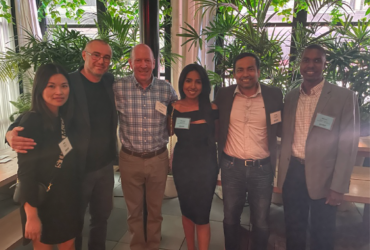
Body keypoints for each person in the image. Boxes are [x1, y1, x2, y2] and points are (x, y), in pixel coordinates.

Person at [6, 39, 118, 250]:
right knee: (75, 222)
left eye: (106, 57)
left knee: (101, 217)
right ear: (84, 55)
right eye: (96, 55)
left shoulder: (109, 81)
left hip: (103, 166)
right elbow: (31, 115)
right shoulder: (68, 83)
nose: (101, 61)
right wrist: (9, 133)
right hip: (77, 168)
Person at [277, 44, 360, 250]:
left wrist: (338, 186)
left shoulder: (343, 97)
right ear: (300, 64)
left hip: (325, 176)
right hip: (293, 172)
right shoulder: (291, 97)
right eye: (306, 60)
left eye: (316, 60)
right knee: (293, 229)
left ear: (325, 64)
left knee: (322, 234)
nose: (310, 65)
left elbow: (348, 145)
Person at [214, 52, 284, 250]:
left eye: (250, 69)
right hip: (231, 167)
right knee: (230, 217)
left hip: (262, 169)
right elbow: (213, 123)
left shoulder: (273, 95)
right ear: (234, 74)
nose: (245, 74)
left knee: (261, 220)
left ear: (258, 71)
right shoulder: (224, 95)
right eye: (240, 70)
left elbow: (281, 126)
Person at [113, 44, 178, 250]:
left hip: (157, 158)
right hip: (129, 159)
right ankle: (137, 246)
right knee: (134, 211)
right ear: (130, 63)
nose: (143, 65)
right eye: (138, 60)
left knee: (155, 210)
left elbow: (182, 114)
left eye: (147, 60)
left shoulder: (166, 89)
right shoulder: (117, 88)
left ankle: (153, 245)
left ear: (154, 63)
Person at [17, 63, 81, 249]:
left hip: (67, 198)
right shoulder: (32, 121)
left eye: (64, 86)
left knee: (68, 246)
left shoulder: (63, 116)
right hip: (42, 201)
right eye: (51, 86)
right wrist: (31, 215)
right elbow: (26, 173)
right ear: (39, 88)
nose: (59, 91)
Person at [167, 64, 218, 250]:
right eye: (188, 80)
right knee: (187, 210)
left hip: (206, 166)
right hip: (182, 165)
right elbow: (169, 132)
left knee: (202, 214)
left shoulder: (212, 108)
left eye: (198, 81)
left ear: (203, 85)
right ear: (182, 83)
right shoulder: (173, 107)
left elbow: (218, 136)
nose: (192, 86)